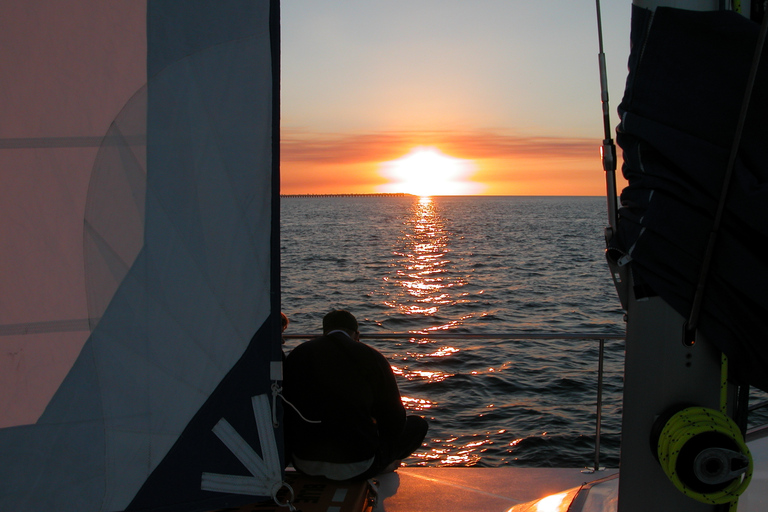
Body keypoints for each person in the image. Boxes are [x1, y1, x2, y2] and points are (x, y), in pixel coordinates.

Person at [283, 310, 428, 481]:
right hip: (358, 466)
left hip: (304, 463)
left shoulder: (298, 354)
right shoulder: (372, 356)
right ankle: (382, 465)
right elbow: (395, 418)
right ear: (357, 335)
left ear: (324, 332)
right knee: (417, 425)